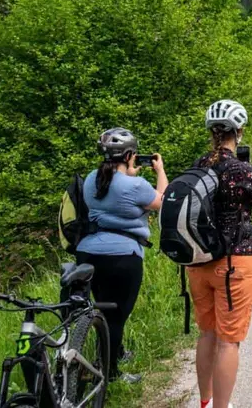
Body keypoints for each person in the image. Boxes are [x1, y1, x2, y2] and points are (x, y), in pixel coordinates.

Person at [188, 100, 252, 408]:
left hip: (198, 261)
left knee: (207, 335)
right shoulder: (241, 169)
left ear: (211, 132)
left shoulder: (198, 165)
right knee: (228, 341)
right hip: (232, 264)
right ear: (238, 132)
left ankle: (204, 402)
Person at [78, 127, 168, 382]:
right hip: (122, 256)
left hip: (87, 252)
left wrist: (128, 174)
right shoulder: (136, 185)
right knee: (116, 315)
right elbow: (162, 201)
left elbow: (112, 190)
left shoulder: (91, 179)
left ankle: (114, 353)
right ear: (129, 156)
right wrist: (160, 171)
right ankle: (110, 375)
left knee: (103, 309)